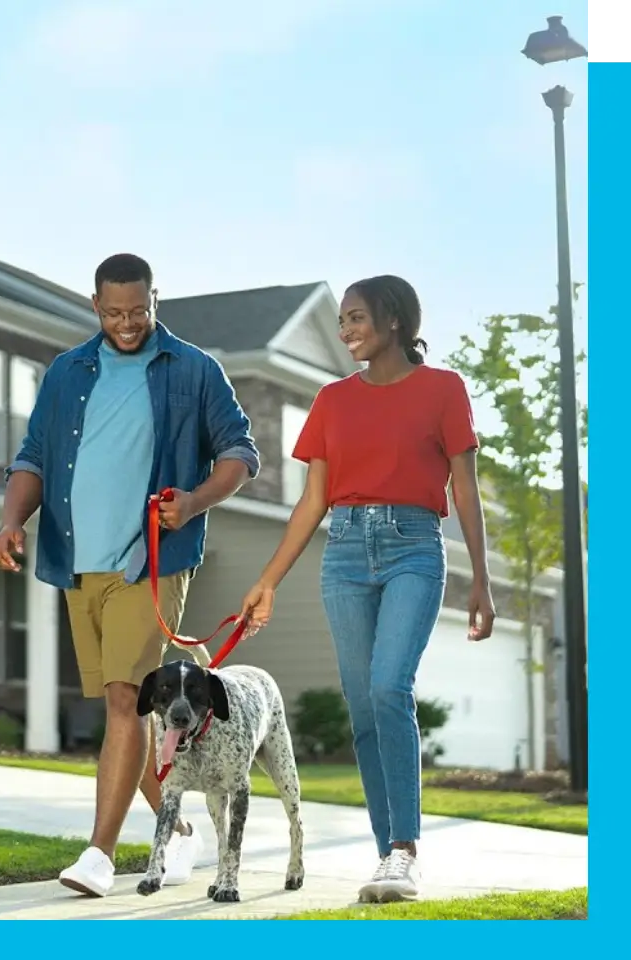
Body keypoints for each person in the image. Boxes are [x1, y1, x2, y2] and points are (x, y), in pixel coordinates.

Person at [0, 252, 260, 898]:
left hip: (152, 563)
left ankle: (100, 855)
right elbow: (33, 457)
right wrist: (11, 521)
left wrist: (192, 502)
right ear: (95, 307)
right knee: (132, 709)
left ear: (154, 299)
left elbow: (239, 454)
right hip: (77, 560)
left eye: (138, 310)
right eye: (114, 312)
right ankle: (187, 835)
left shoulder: (193, 370)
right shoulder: (66, 373)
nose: (127, 322)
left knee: (121, 697)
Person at [237, 274, 495, 904]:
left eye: (356, 318)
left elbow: (464, 490)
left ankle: (405, 851)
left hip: (413, 546)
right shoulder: (331, 400)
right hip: (345, 552)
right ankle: (386, 856)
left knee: (388, 688)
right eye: (344, 320)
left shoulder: (443, 389)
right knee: (362, 708)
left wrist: (481, 581)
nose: (347, 330)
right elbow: (312, 502)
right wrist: (267, 580)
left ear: (395, 322)